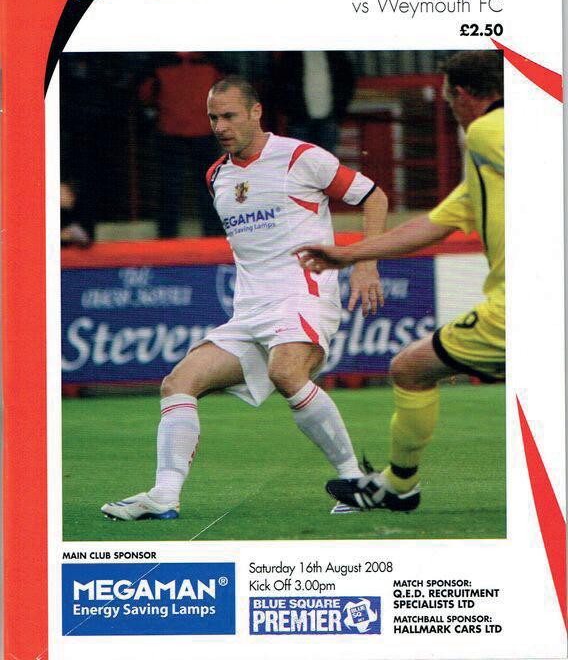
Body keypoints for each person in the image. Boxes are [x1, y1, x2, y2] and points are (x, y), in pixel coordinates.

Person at [102, 75, 388, 520]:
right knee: (178, 383)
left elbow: (374, 197)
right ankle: (164, 496)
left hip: (302, 294)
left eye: (230, 116)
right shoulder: (216, 175)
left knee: (286, 372)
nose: (220, 127)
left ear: (256, 112)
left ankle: (355, 482)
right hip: (250, 312)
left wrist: (365, 263)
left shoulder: (301, 157)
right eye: (213, 118)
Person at [296, 51, 504, 512]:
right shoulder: (487, 163)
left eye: (448, 98)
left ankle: (398, 485)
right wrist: (349, 254)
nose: (450, 107)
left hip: (518, 307)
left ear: (462, 95)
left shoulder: (488, 131)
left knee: (411, 369)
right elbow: (433, 224)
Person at [139, 52, 223, 237]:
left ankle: (168, 238)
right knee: (207, 189)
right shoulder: (212, 59)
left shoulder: (159, 60)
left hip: (172, 131)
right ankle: (213, 237)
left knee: (170, 189)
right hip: (199, 132)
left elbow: (145, 94)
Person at [277, 51, 355, 155]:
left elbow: (347, 81)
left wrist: (340, 110)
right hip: (299, 120)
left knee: (326, 160)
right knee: (301, 160)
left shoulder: (336, 54)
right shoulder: (291, 55)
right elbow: (279, 84)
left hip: (330, 119)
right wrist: (289, 111)